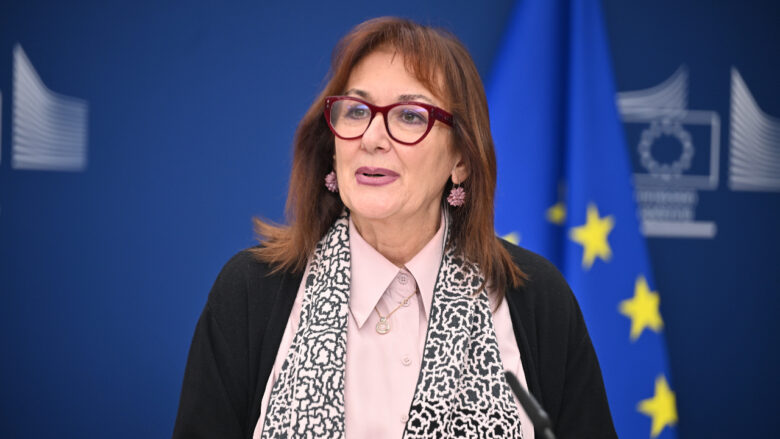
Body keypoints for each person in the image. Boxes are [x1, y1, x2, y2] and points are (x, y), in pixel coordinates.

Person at [173, 17, 617, 439]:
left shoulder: (535, 299)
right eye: (355, 111)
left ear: (461, 160)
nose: (372, 138)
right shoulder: (252, 292)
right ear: (332, 145)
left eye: (409, 116)